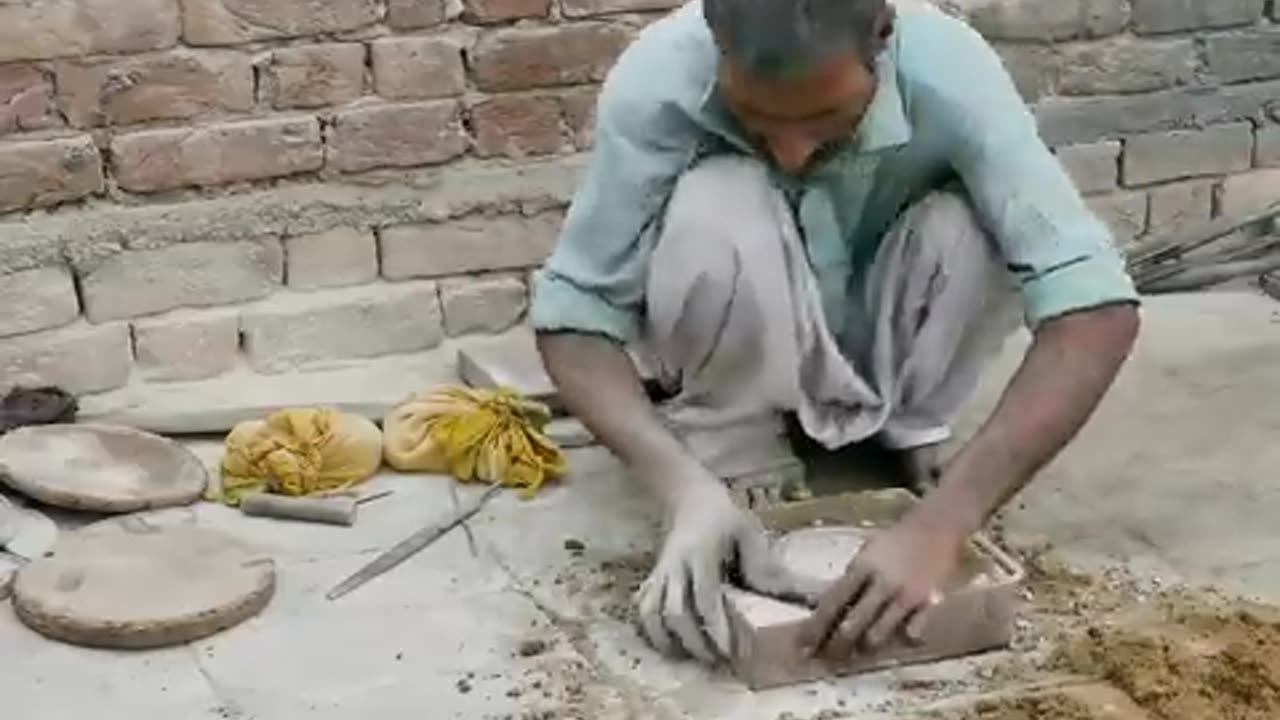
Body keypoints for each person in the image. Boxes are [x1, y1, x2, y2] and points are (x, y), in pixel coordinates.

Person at [528, 0, 1141, 666]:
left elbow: (1095, 305)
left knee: (974, 226)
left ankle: (912, 427)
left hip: (887, 340)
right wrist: (681, 488)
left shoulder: (949, 69)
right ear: (713, 38)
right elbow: (576, 313)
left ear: (883, 35)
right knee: (715, 198)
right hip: (740, 343)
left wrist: (945, 523)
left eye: (827, 119)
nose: (791, 151)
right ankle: (734, 450)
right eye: (754, 120)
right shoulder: (660, 78)